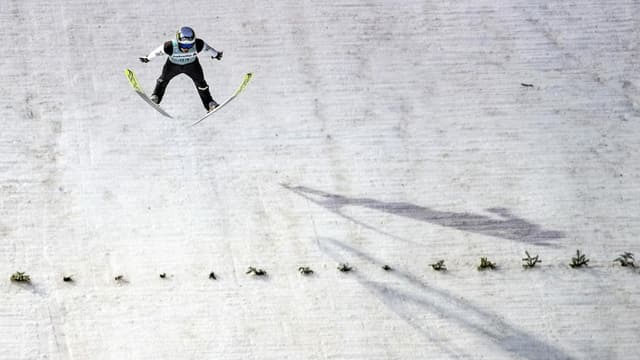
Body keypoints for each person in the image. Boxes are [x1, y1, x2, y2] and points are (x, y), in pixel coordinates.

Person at [139, 26, 223, 112]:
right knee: (163, 80)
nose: (186, 48)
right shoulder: (169, 46)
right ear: (178, 42)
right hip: (173, 66)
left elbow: (208, 49)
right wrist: (148, 58)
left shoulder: (198, 44)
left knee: (201, 84)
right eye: (183, 45)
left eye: (190, 45)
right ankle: (156, 97)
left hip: (192, 66)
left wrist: (216, 54)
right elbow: (157, 52)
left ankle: (210, 103)